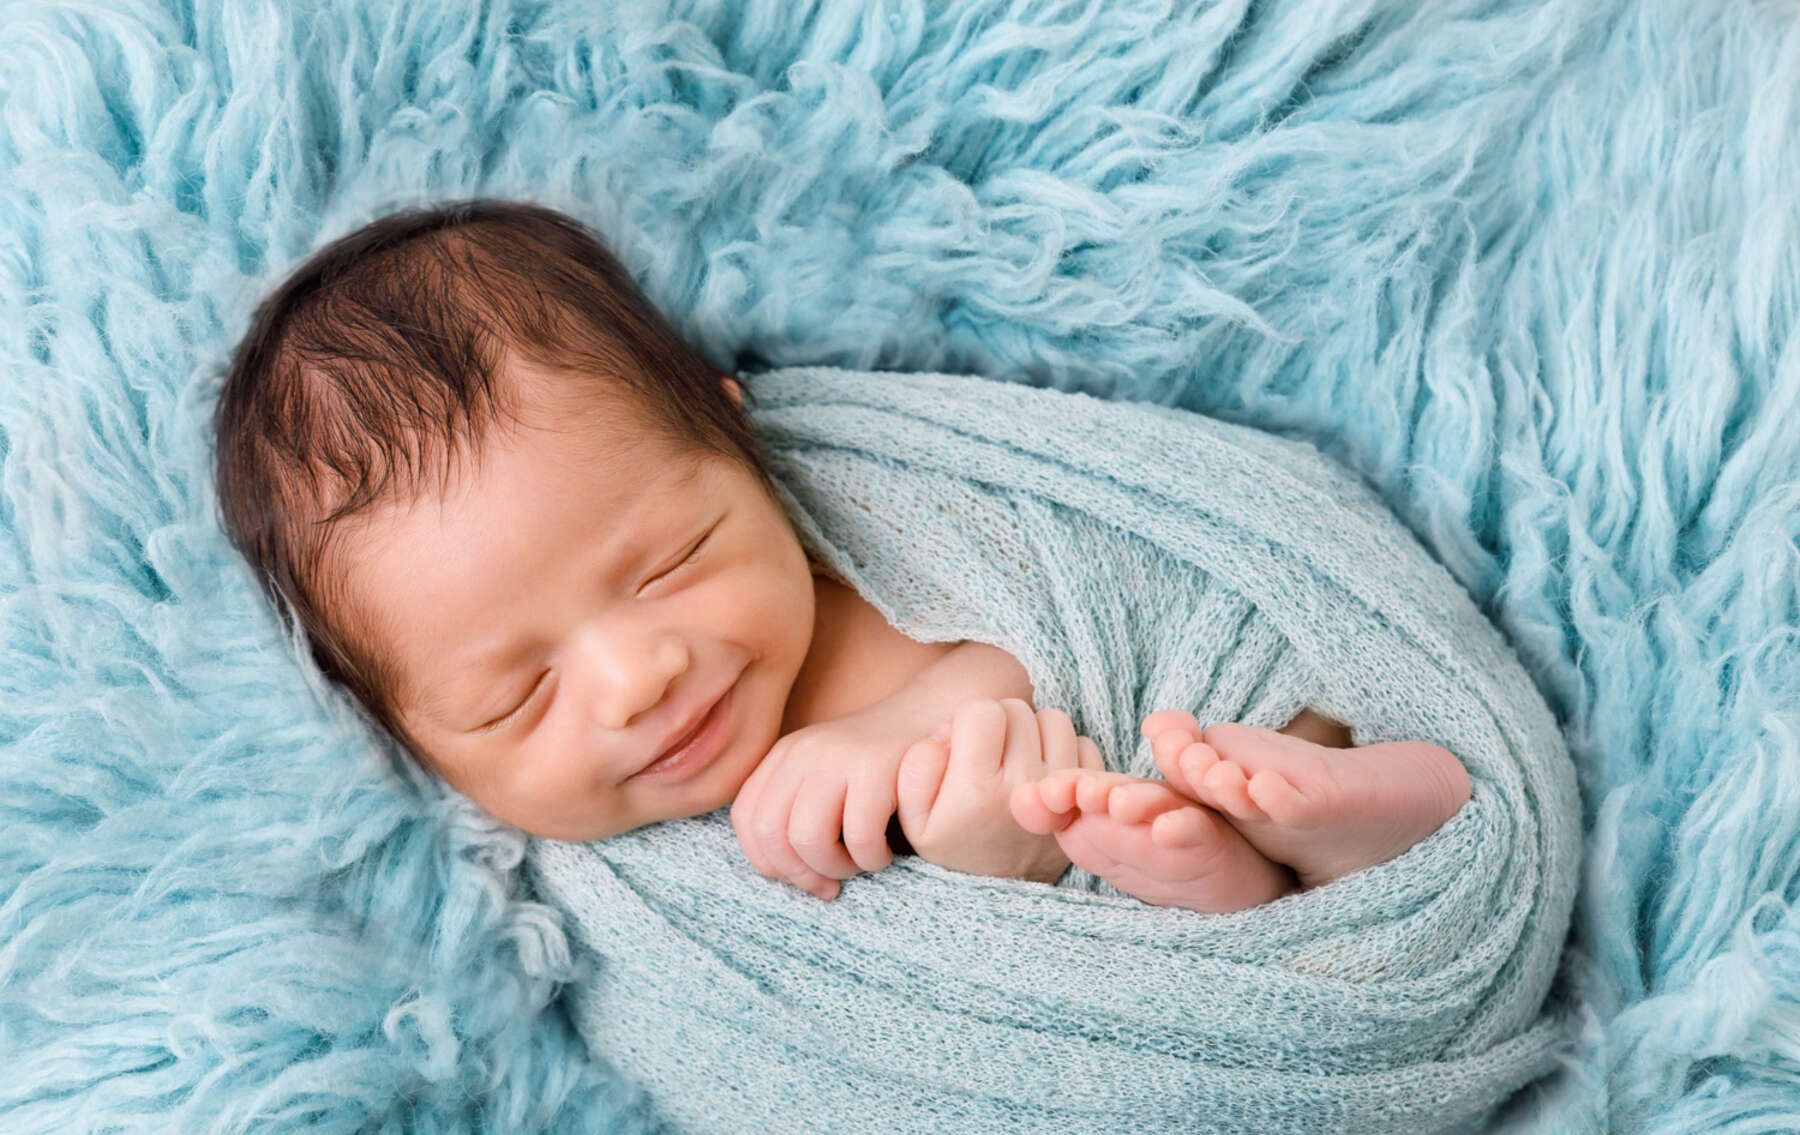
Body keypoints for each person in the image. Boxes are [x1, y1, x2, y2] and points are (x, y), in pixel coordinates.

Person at [213, 198, 1470, 912]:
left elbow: (1044, 622)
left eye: (668, 562)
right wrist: (996, 858)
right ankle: (1244, 884)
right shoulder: (618, 903)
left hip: (1196, 725)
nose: (635, 680)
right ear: (406, 736)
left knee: (1211, 769)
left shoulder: (851, 579)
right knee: (1117, 857)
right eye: (516, 695)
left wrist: (902, 728)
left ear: (735, 437)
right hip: (1119, 969)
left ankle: (1364, 818)